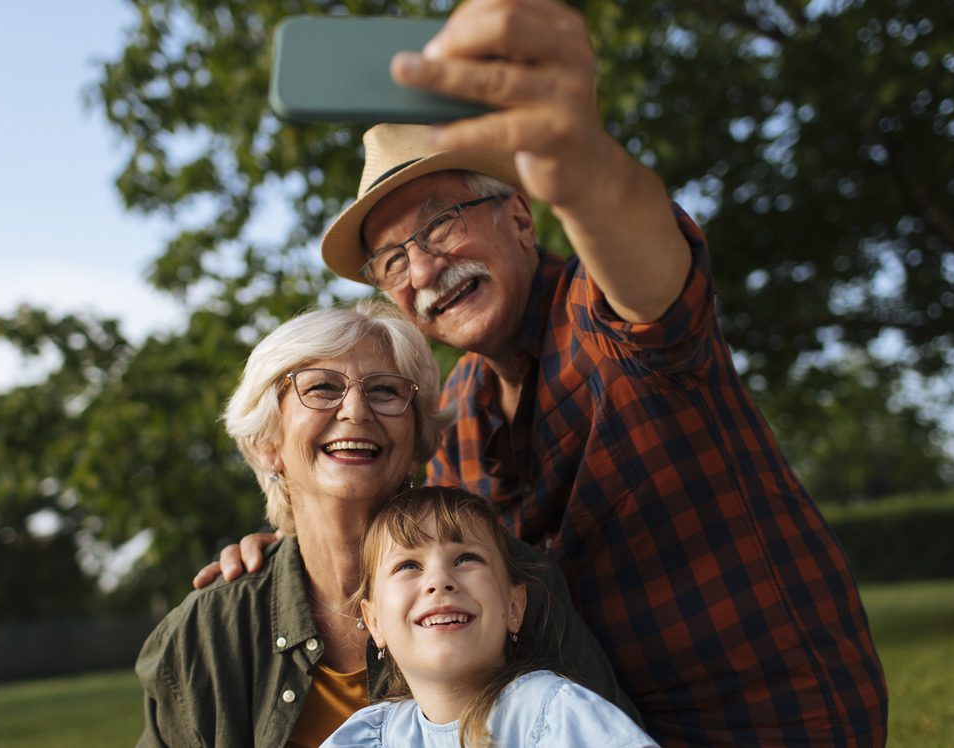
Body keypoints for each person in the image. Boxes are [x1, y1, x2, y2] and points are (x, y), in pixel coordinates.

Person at [199, 0, 888, 744]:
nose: (425, 268)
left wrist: (581, 160)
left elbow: (643, 248)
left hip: (774, 725)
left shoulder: (607, 315)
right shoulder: (455, 410)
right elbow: (401, 522)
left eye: (441, 222)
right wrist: (296, 537)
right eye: (394, 259)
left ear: (522, 219)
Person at [136, 301, 634, 747]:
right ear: (268, 441)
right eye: (322, 388)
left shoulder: (514, 582)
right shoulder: (207, 631)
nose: (355, 411)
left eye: (384, 391)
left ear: (418, 440)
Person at [322, 486, 659, 748]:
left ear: (514, 608)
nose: (440, 580)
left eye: (466, 559)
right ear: (375, 622)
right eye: (408, 565)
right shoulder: (371, 736)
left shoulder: (552, 714)